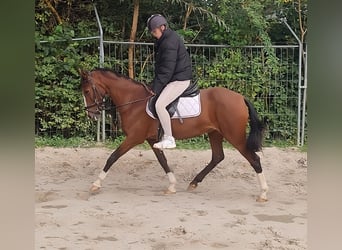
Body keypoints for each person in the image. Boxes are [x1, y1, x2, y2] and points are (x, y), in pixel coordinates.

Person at [147, 14, 192, 149]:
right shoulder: (166, 40)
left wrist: (154, 88)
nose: (154, 35)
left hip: (180, 80)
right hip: (174, 78)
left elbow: (167, 69)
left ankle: (169, 138)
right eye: (152, 33)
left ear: (162, 27)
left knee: (160, 105)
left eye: (155, 32)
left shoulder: (169, 42)